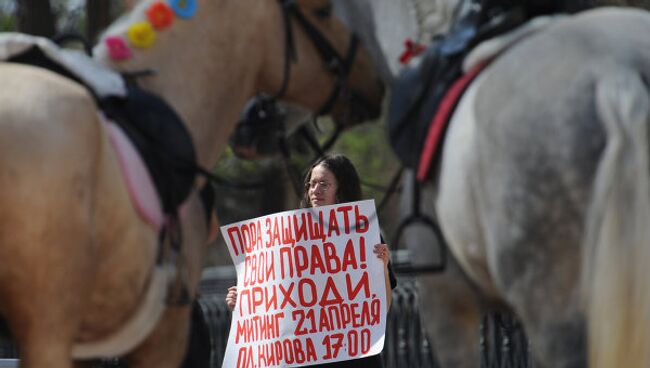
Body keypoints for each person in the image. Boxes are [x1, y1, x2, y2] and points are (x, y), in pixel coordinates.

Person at [225, 153, 397, 368]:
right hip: (308, 359)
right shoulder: (289, 237)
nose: (315, 191)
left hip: (356, 359)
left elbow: (383, 308)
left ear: (342, 190)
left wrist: (382, 268)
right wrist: (243, 303)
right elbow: (277, 302)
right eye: (311, 184)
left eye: (324, 184)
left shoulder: (364, 236)